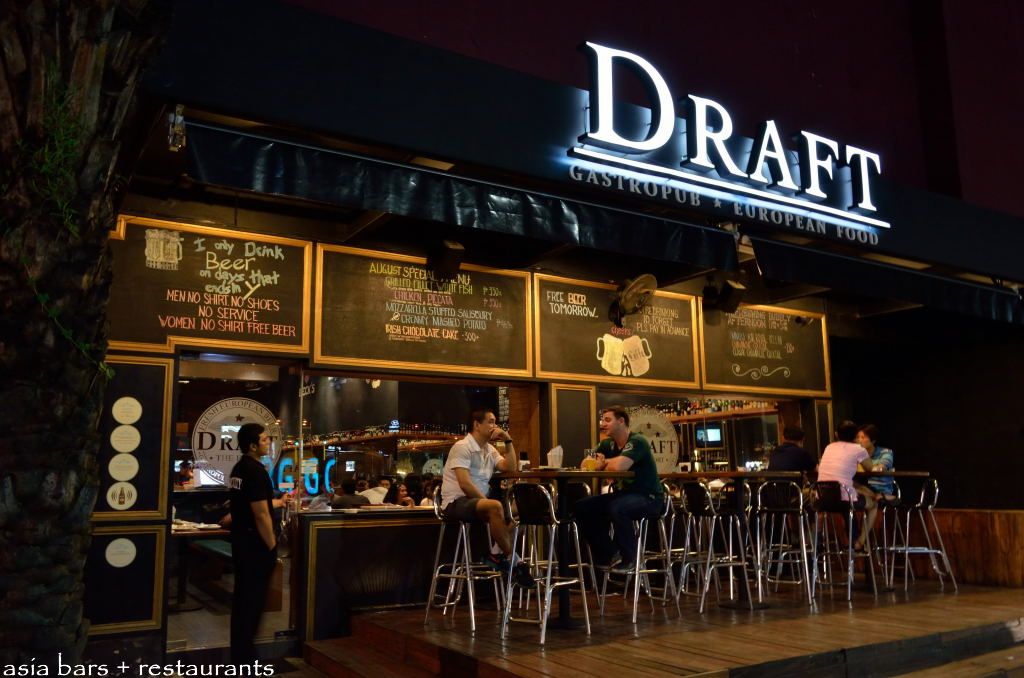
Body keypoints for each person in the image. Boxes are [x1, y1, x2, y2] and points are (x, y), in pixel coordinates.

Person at [440, 409, 533, 587]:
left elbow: (509, 467)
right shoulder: (462, 447)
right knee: (495, 506)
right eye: (490, 421)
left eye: (495, 422)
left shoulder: (489, 450)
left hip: (479, 502)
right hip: (456, 502)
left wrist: (508, 440)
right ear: (477, 425)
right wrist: (487, 502)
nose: (494, 426)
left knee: (523, 508)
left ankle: (496, 553)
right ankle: (515, 561)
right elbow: (465, 484)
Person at [575, 406, 664, 573]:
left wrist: (602, 463)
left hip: (649, 498)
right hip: (623, 495)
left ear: (621, 421)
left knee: (617, 507)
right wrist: (600, 463)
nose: (603, 424)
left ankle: (630, 559)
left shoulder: (637, 441)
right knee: (582, 507)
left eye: (608, 420)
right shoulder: (606, 444)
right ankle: (610, 554)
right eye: (602, 420)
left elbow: (620, 466)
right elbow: (584, 464)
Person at [228, 423, 278, 665]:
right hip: (254, 545)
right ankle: (245, 660)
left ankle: (240, 655)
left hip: (240, 540)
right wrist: (272, 545)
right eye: (265, 439)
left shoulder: (238, 469)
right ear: (252, 446)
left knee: (242, 600)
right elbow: (261, 514)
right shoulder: (255, 471)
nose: (268, 443)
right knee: (252, 601)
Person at [817, 420, 876, 552]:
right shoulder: (858, 449)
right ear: (855, 436)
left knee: (850, 499)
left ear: (836, 434)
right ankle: (860, 542)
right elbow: (870, 467)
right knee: (873, 504)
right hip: (844, 499)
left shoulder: (829, 447)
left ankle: (851, 542)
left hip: (823, 498)